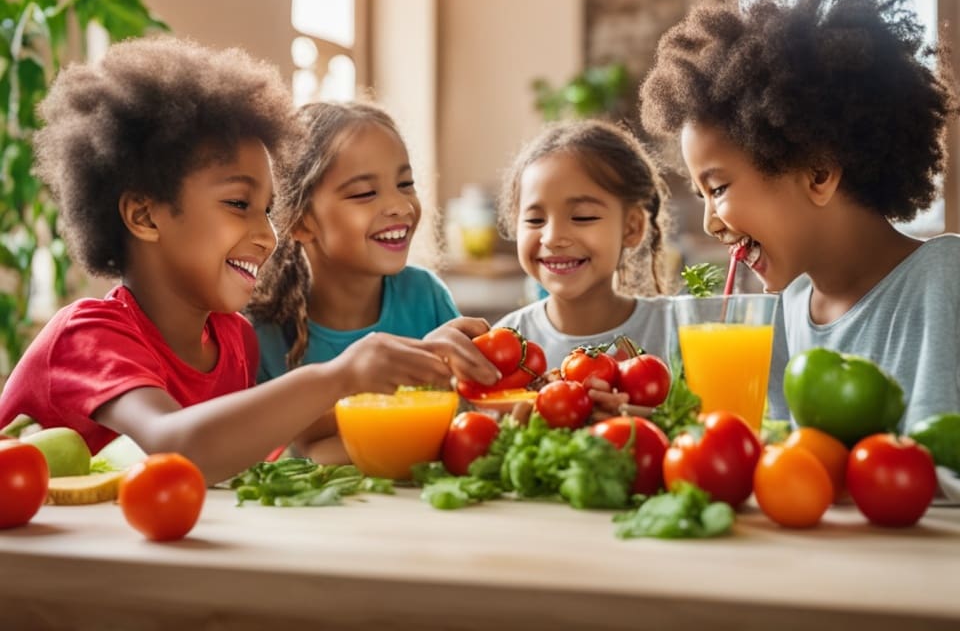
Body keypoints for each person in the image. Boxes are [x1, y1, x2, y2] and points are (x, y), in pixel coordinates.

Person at [0, 38, 498, 484]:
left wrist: (400, 377)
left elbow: (264, 447)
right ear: (144, 215)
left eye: (267, 210)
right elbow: (177, 446)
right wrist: (340, 375)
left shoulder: (232, 339)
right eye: (239, 205)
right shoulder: (87, 336)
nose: (267, 234)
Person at [639, 0, 960, 430]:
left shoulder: (943, 281)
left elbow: (944, 476)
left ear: (818, 173)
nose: (710, 221)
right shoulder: (786, 309)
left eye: (719, 188)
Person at [245, 101, 462, 463]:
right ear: (299, 222)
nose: (400, 206)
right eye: (364, 193)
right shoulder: (259, 332)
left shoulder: (427, 297)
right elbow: (273, 460)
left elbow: (459, 423)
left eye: (405, 184)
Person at [493, 119, 676, 412]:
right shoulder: (504, 343)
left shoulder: (678, 331)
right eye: (535, 220)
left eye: (583, 217)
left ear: (631, 227)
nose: (552, 238)